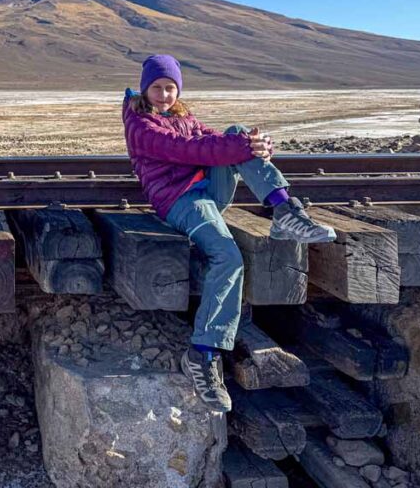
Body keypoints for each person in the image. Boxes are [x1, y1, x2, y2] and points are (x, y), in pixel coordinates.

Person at [122, 54, 335, 413]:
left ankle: (284, 210)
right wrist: (241, 150)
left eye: (170, 88)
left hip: (208, 191)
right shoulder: (141, 124)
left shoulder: (182, 117)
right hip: (181, 200)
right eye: (157, 88)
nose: (163, 95)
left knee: (237, 132)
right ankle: (202, 354)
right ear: (145, 88)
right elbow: (184, 150)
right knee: (228, 257)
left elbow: (213, 139)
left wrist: (254, 147)